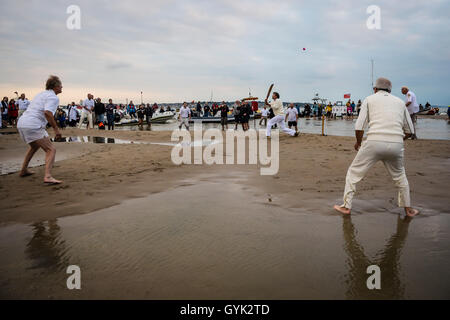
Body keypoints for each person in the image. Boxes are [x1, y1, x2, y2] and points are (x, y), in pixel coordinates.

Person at [333, 77, 419, 217]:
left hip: (374, 141)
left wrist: (358, 142)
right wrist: (397, 138)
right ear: (390, 90)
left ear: (375, 89)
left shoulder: (369, 99)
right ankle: (408, 209)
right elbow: (410, 131)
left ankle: (346, 206)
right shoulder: (399, 102)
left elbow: (359, 126)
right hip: (397, 144)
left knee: (353, 173)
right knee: (400, 177)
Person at [16, 75, 63, 184]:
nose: (62, 87)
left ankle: (23, 170)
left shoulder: (41, 94)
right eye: (60, 85)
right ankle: (48, 176)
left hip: (22, 123)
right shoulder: (53, 97)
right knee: (51, 149)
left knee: (34, 146)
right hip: (33, 125)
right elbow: (47, 112)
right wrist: (56, 129)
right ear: (55, 86)